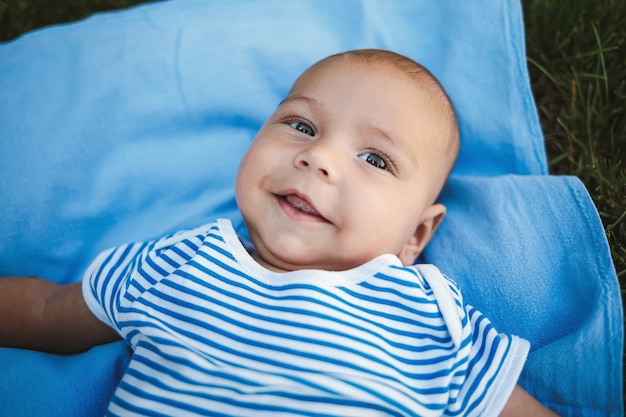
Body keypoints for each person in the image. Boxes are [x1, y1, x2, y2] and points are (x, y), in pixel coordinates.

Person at [0, 49, 558, 416]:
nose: (318, 157)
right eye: (302, 126)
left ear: (416, 234)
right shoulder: (176, 263)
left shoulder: (429, 316)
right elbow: (49, 311)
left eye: (375, 158)